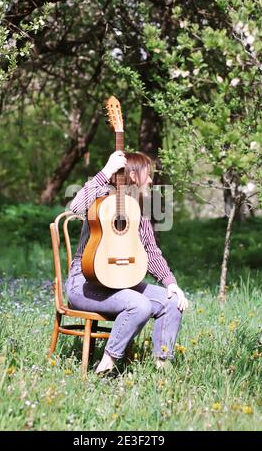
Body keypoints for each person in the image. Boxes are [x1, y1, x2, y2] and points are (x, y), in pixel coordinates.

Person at [65, 150, 188, 375]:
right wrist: (106, 171)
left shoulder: (138, 209)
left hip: (123, 284)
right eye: (147, 174)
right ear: (132, 176)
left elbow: (150, 250)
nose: (151, 180)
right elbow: (75, 207)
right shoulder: (101, 199)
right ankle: (106, 365)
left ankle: (163, 367)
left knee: (171, 301)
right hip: (85, 284)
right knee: (139, 304)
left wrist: (171, 283)